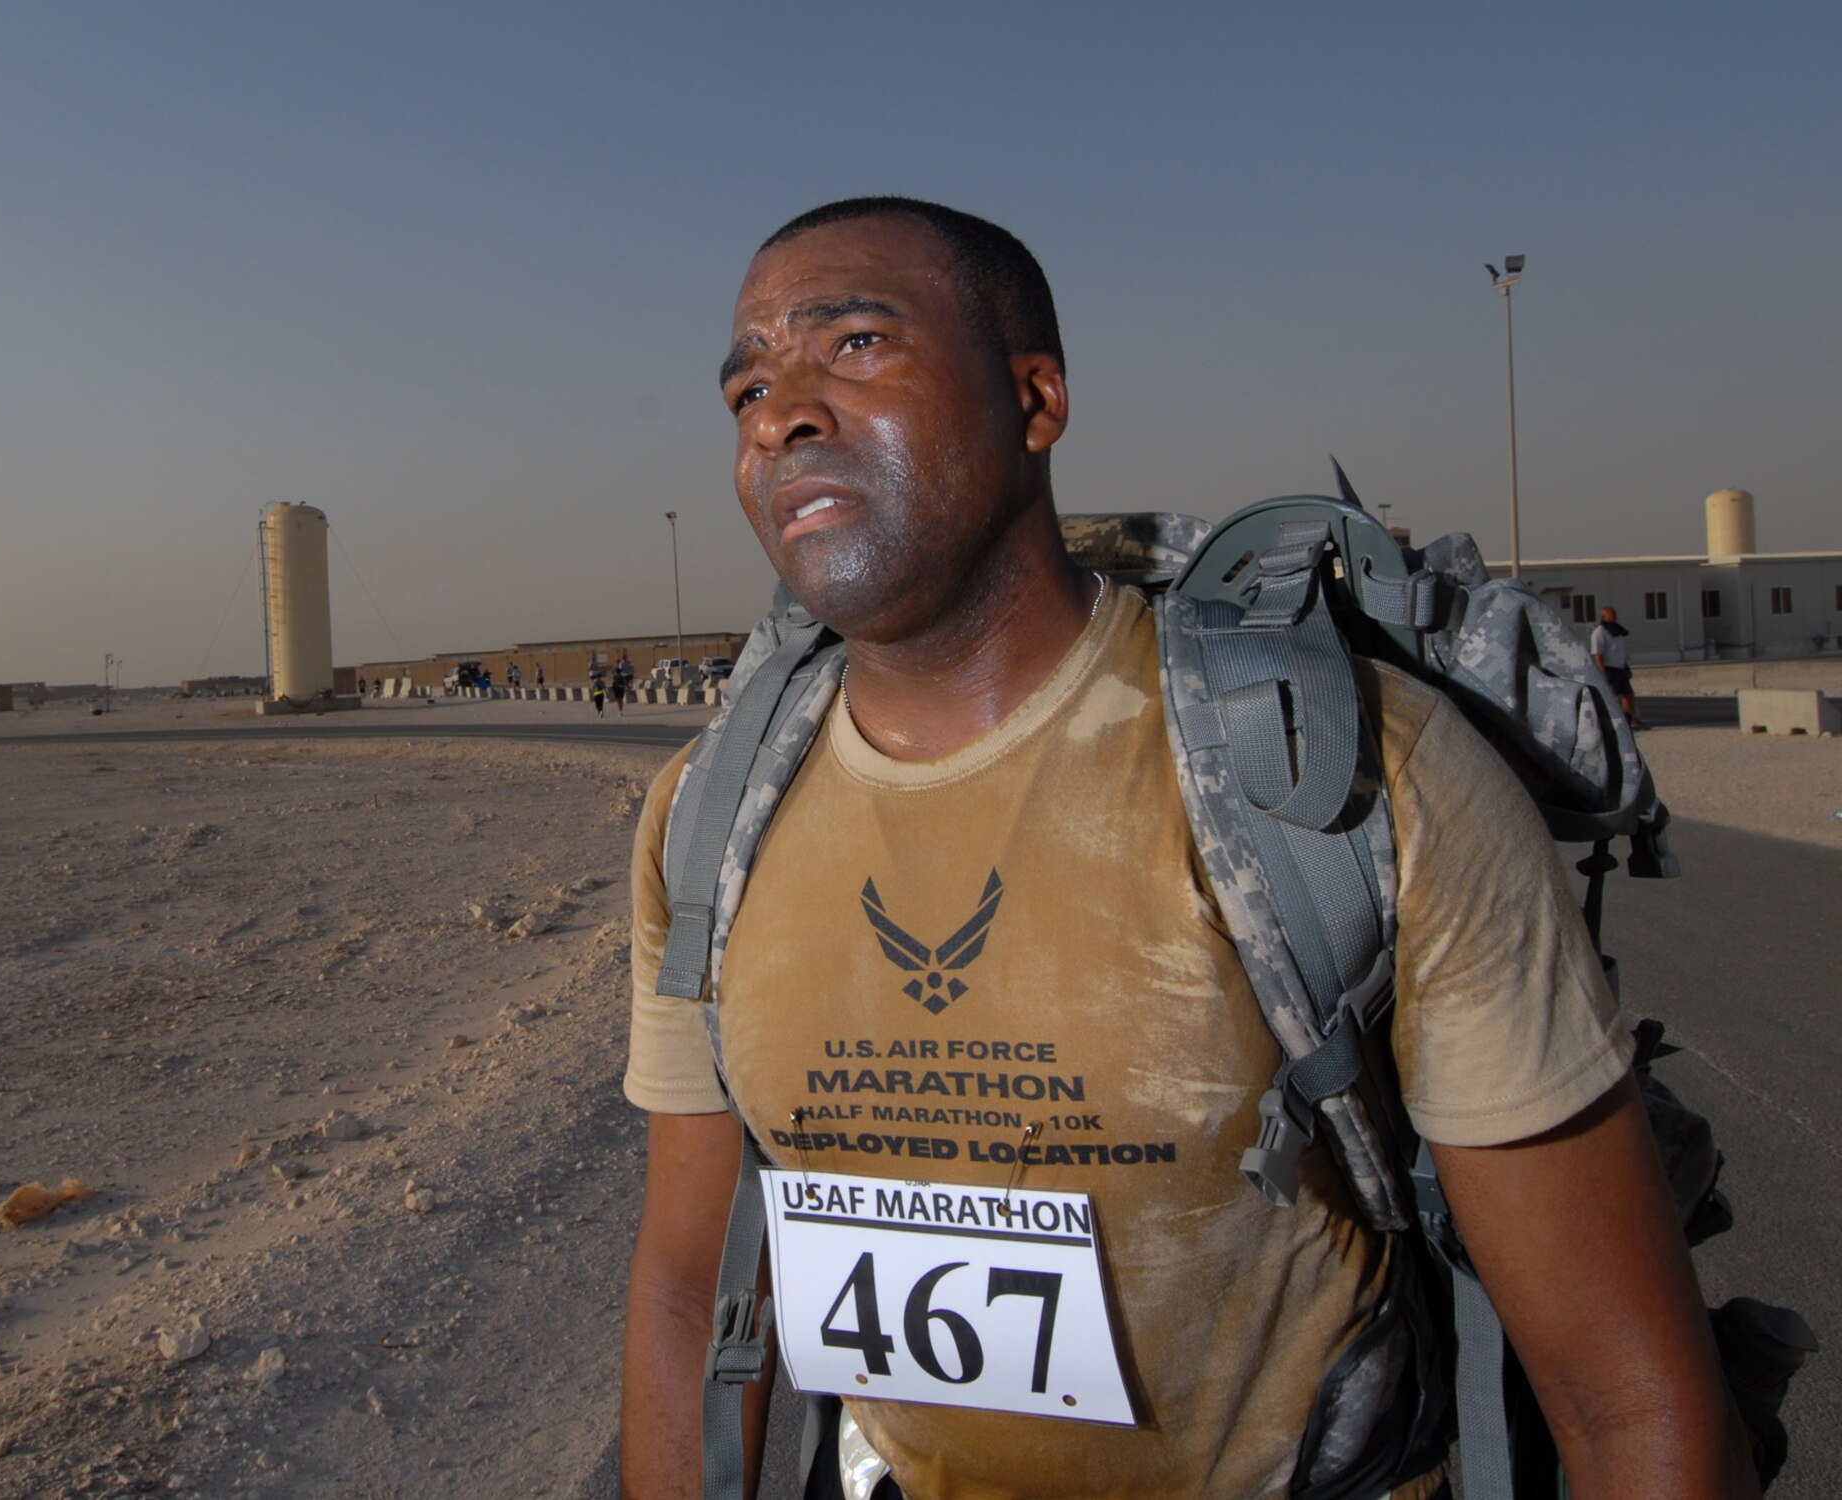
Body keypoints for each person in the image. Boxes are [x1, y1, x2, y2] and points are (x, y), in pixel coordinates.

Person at [619, 198, 1753, 1500]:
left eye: (857, 345)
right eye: (748, 387)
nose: (780, 413)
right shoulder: (706, 824)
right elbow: (686, 1293)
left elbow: (1629, 1401)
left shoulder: (1359, 780)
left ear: (1035, 397)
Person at [1591, 605, 1641, 729]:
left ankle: (1631, 719)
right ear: (1604, 616)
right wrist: (1602, 671)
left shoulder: (1617, 631)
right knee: (1611, 696)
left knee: (1628, 694)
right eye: (1611, 614)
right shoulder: (1599, 632)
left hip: (1620, 667)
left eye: (1615, 614)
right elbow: (1597, 654)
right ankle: (1611, 721)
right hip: (1609, 668)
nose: (1614, 616)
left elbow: (1619, 651)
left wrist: (1625, 666)